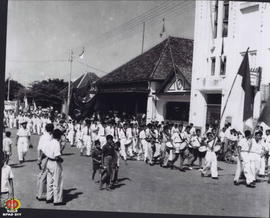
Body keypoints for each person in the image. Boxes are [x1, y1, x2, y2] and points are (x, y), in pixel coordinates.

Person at [44, 129, 64, 206]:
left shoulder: (50, 142)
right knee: (57, 181)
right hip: (55, 163)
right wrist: (61, 160)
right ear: (59, 136)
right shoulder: (56, 143)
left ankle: (49, 198)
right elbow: (56, 156)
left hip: (48, 161)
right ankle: (57, 200)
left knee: (49, 181)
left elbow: (45, 152)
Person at [36, 123, 54, 201]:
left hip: (43, 157)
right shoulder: (50, 137)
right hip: (47, 157)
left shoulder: (43, 137)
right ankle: (42, 195)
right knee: (45, 176)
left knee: (42, 176)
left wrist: (39, 158)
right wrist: (40, 158)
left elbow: (39, 148)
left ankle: (40, 194)